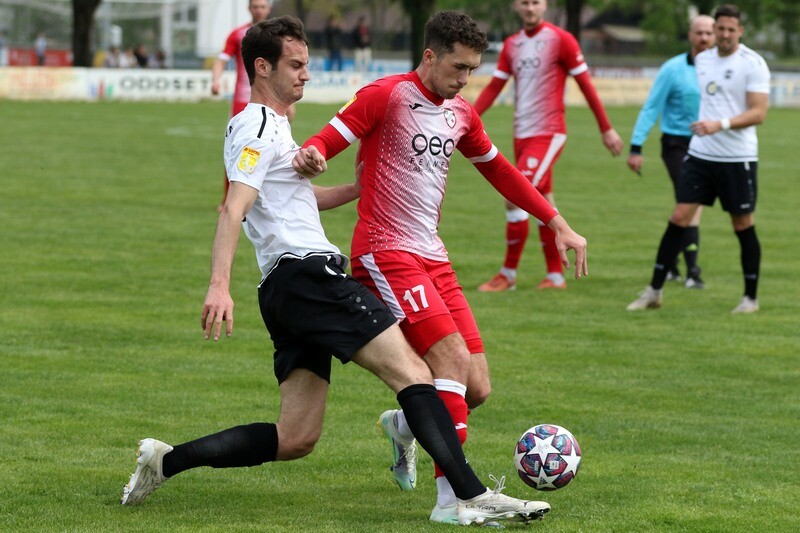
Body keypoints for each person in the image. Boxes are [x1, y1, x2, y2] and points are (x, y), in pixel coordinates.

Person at [120, 16, 550, 527]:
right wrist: (218, 286)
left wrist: (355, 189)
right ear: (263, 67)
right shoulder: (257, 125)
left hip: (283, 289)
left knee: (296, 437)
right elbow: (234, 207)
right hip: (309, 277)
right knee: (418, 373)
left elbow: (288, 200)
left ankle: (165, 461)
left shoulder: (273, 125)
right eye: (295, 65)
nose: (306, 74)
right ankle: (466, 496)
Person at [292, 10, 587, 524]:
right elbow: (326, 139)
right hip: (385, 252)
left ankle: (405, 425)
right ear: (430, 56)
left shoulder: (461, 113)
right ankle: (453, 502)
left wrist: (557, 222)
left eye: (472, 69)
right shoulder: (385, 95)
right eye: (458, 67)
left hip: (433, 255)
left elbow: (500, 170)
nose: (465, 79)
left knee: (476, 387)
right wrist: (313, 155)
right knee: (449, 359)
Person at [627, 4, 770, 314]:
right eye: (721, 29)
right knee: (679, 216)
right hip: (701, 154)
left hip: (738, 157)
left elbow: (759, 113)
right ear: (714, 29)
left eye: (731, 29)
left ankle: (750, 299)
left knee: (742, 223)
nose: (725, 34)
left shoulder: (753, 63)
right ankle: (654, 291)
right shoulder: (703, 61)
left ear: (740, 31)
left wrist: (721, 124)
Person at [472, 0, 623, 292]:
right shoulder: (512, 44)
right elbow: (494, 87)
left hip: (548, 133)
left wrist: (606, 128)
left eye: (536, 2)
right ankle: (555, 276)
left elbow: (586, 85)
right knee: (544, 200)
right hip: (521, 134)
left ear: (545, 5)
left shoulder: (561, 39)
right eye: (525, 2)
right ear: (516, 6)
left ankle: (508, 275)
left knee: (514, 195)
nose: (530, 8)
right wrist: (466, 119)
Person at [627, 15, 715, 289]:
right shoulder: (673, 69)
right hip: (677, 144)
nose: (704, 38)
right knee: (689, 200)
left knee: (689, 205)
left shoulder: (721, 70)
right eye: (699, 32)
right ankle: (693, 272)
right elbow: (651, 107)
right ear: (690, 35)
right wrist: (636, 146)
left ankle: (671, 265)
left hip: (709, 145)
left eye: (708, 33)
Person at [211, 0, 279, 210]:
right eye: (255, 6)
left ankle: (266, 199)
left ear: (269, 9)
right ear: (249, 8)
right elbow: (221, 60)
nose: (259, 10)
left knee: (273, 149)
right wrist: (216, 80)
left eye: (263, 6)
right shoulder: (238, 34)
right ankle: (229, 199)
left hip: (272, 100)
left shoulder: (277, 36)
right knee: (235, 150)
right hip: (243, 100)